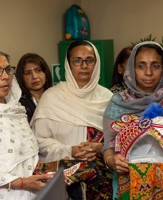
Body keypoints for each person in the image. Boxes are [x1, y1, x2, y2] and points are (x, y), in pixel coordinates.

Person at [103, 41, 163, 199]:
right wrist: (111, 159)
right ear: (132, 69)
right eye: (141, 66)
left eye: (155, 66)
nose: (148, 72)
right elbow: (108, 145)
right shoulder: (118, 103)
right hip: (129, 174)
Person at [31, 40, 113, 200]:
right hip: (66, 183)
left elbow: (118, 140)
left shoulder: (108, 98)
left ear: (96, 63)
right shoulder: (52, 98)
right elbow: (38, 141)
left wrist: (100, 148)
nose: (84, 65)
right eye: (77, 60)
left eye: (90, 60)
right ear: (68, 64)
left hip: (103, 183)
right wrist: (70, 151)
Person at [0, 51, 52, 200]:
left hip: (33, 191)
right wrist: (22, 183)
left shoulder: (16, 110)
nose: (5, 76)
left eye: (8, 70)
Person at [15, 53, 53, 122]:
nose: (34, 76)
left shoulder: (57, 96)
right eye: (28, 73)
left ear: (45, 73)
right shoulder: (19, 105)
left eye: (38, 70)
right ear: (21, 78)